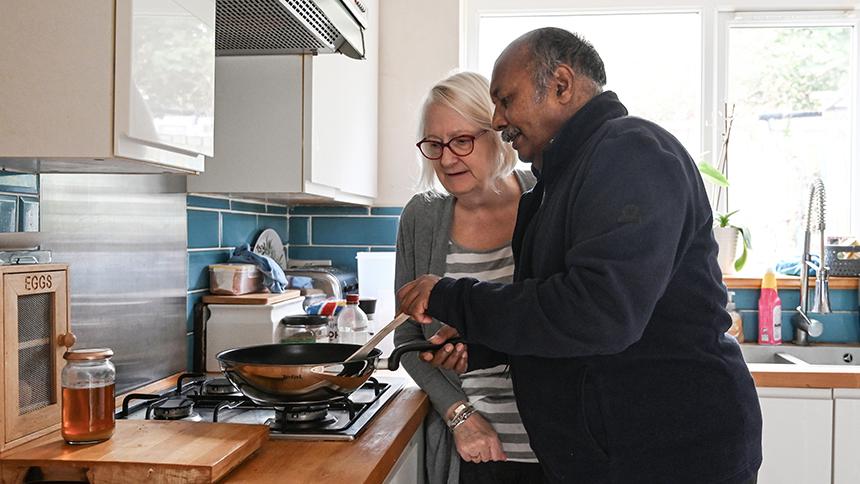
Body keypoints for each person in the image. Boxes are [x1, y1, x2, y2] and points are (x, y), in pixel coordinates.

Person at [396, 27, 762, 483]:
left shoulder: (631, 152)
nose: (499, 118)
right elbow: (557, 314)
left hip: (671, 456)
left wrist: (452, 296)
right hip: (612, 457)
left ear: (562, 85)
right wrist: (482, 347)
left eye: (506, 100)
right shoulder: (560, 181)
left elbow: (599, 311)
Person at [393, 71, 544, 484]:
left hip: (555, 444)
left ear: (498, 132)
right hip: (473, 451)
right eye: (434, 144)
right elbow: (406, 338)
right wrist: (459, 415)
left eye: (461, 141)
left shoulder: (546, 197)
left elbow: (561, 315)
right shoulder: (421, 216)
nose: (446, 159)